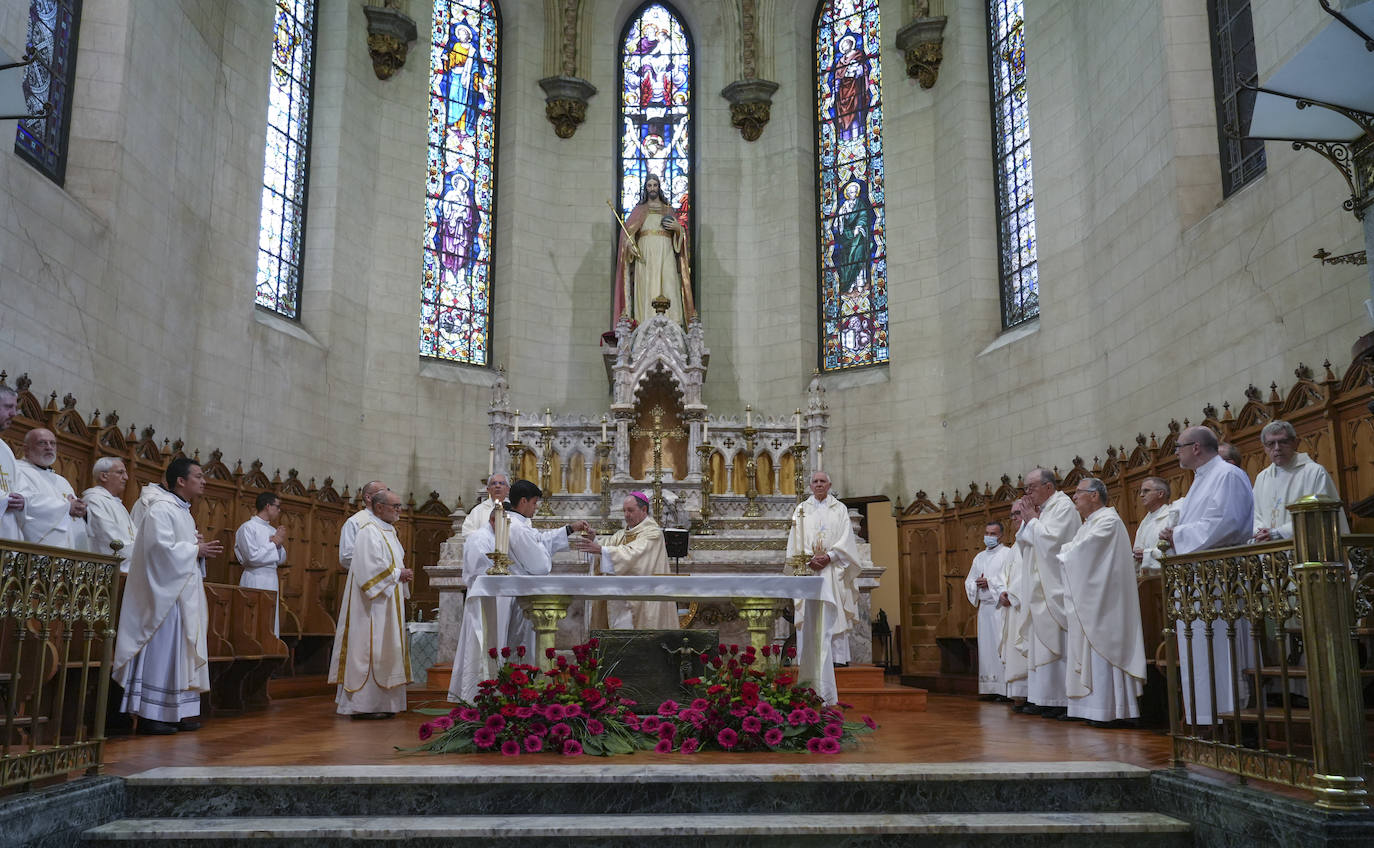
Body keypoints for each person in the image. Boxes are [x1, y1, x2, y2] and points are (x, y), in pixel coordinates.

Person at [111, 457, 222, 734]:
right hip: (164, 597)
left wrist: (196, 550)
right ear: (181, 481)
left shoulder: (182, 511)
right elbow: (158, 550)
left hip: (181, 593)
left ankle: (174, 712)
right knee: (163, 653)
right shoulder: (161, 509)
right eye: (198, 476)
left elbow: (178, 548)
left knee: (179, 653)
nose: (203, 481)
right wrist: (195, 550)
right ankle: (151, 715)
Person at [1159, 426, 1255, 724]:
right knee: (1200, 652)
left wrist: (1177, 535)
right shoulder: (1202, 479)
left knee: (1222, 651)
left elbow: (1226, 523)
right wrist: (1177, 535)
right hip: (1200, 581)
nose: (1177, 452)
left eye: (1179, 447)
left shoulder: (1227, 475)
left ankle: (1230, 718)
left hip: (1220, 580)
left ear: (1196, 447)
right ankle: (1205, 717)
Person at [1061, 478, 1147, 726]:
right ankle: (1092, 708)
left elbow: (1082, 552)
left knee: (1105, 646)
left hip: (1107, 603)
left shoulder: (1108, 521)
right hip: (1091, 599)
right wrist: (1067, 553)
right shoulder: (1088, 524)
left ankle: (1112, 709)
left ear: (1094, 495)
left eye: (1078, 492)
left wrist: (1065, 554)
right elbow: (1074, 550)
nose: (1074, 497)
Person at [328, 489, 413, 718]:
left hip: (388, 600)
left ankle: (386, 704)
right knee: (368, 649)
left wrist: (400, 575)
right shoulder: (368, 531)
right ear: (379, 507)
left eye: (399, 506)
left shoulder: (389, 531)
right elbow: (368, 568)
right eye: (395, 506)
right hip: (372, 604)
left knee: (386, 649)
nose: (399, 510)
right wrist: (398, 574)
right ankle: (363, 705)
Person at [1009, 467, 1081, 719]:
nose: (1027, 493)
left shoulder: (1063, 507)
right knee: (1039, 643)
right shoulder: (1045, 510)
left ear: (1048, 487)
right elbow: (1026, 542)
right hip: (1039, 586)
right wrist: (1031, 520)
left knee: (1057, 641)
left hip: (1054, 586)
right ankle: (1043, 698)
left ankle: (1061, 699)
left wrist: (1032, 519)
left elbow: (1052, 543)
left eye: (1031, 488)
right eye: (1025, 489)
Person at [782, 471, 862, 667]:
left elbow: (846, 538)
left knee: (834, 611)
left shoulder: (839, 509)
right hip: (807, 570)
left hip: (833, 569)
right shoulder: (802, 509)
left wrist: (830, 556)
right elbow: (795, 538)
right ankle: (809, 657)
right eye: (815, 481)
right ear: (810, 486)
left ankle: (837, 658)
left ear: (829, 485)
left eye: (822, 481)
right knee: (809, 613)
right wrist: (809, 558)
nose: (819, 484)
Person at [574, 491, 679, 631]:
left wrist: (601, 550)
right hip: (621, 599)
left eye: (630, 510)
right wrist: (594, 540)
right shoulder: (624, 533)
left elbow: (633, 553)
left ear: (644, 510)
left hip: (644, 598)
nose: (626, 515)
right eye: (624, 510)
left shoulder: (653, 533)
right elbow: (608, 546)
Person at [506, 480, 591, 651]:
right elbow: (539, 566)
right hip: (521, 595)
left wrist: (570, 529)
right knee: (521, 646)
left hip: (521, 593)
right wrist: (544, 553)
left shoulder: (518, 523)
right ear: (523, 501)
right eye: (534, 503)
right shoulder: (517, 528)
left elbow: (542, 539)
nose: (536, 507)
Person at [613, 175, 694, 328]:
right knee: (647, 287)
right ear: (646, 188)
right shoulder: (639, 210)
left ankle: (673, 327)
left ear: (659, 187)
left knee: (669, 284)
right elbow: (627, 235)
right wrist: (630, 245)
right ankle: (645, 325)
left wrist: (678, 229)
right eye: (649, 185)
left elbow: (680, 237)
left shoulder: (668, 210)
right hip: (645, 254)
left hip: (666, 251)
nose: (652, 188)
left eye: (655, 185)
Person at [1251, 420, 1345, 542]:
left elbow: (1320, 513)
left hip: (1306, 545)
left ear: (1295, 443)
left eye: (1283, 442)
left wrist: (1279, 533)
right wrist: (1260, 532)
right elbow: (1254, 514)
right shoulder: (1262, 478)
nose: (1277, 448)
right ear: (1264, 448)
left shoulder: (1314, 472)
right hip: (1268, 548)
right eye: (1271, 444)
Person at [14, 428, 87, 549]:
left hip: (65, 550)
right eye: (42, 443)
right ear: (26, 449)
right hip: (33, 548)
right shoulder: (18, 471)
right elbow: (23, 503)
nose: (49, 447)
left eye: (52, 443)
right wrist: (66, 506)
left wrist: (80, 509)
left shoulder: (62, 481)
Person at [965, 520, 1014, 699]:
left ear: (1001, 535)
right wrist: (976, 584)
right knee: (986, 649)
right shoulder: (979, 557)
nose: (989, 537)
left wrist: (990, 583)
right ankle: (989, 688)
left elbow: (1010, 578)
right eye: (987, 533)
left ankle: (1004, 690)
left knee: (1001, 646)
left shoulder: (1007, 554)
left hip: (1000, 608)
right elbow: (969, 580)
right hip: (985, 609)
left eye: (993, 534)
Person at [234, 491, 288, 636]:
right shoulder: (247, 528)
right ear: (267, 506)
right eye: (277, 506)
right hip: (254, 577)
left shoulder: (272, 530)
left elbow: (281, 559)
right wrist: (274, 543)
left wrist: (278, 545)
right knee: (253, 619)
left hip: (271, 578)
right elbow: (251, 557)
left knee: (269, 620)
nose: (279, 510)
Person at [84, 457, 136, 571]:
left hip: (126, 569)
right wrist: (139, 553)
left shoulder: (118, 504)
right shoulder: (94, 500)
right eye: (120, 472)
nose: (126, 477)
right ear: (104, 476)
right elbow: (108, 540)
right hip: (105, 571)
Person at [1132, 477, 1177, 576]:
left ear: (1160, 494)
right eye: (1141, 492)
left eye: (1146, 491)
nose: (1141, 495)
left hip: (1167, 577)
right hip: (1146, 579)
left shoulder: (1172, 516)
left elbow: (1174, 550)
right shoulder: (1144, 522)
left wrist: (1146, 555)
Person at [339, 480, 387, 571]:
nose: (387, 497)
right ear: (368, 498)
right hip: (367, 577)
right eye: (382, 493)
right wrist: (382, 570)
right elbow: (347, 557)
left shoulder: (387, 523)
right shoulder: (355, 522)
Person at [0, 386, 24, 540]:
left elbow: (20, 487)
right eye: (8, 407)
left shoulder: (5, 449)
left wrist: (23, 500)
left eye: (15, 408)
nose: (14, 414)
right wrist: (4, 500)